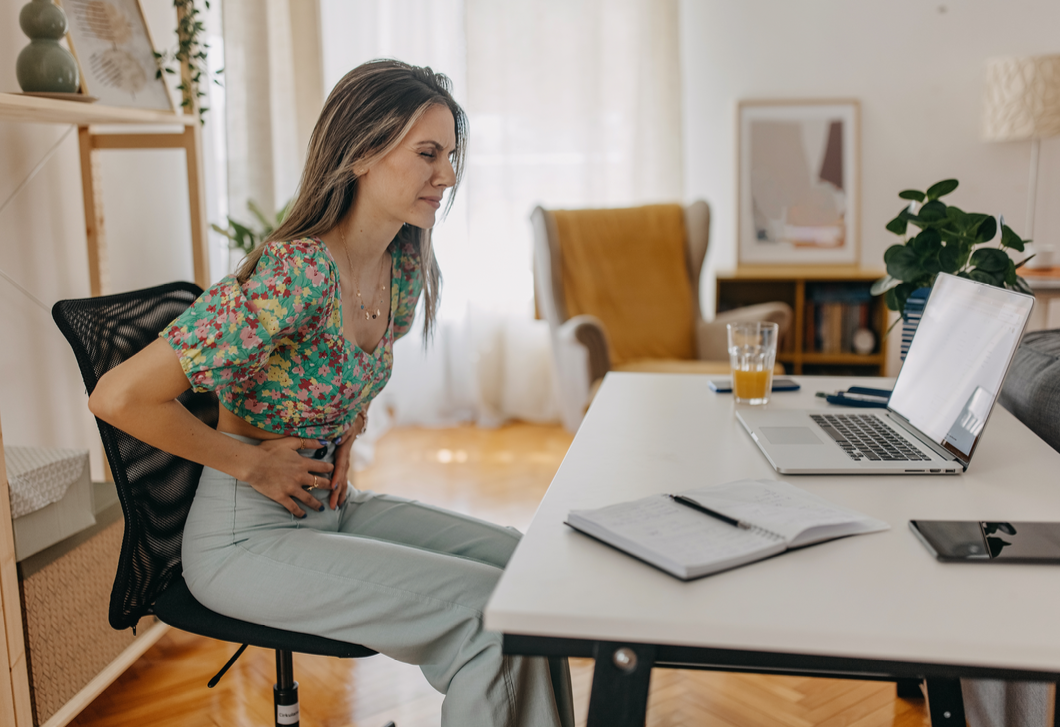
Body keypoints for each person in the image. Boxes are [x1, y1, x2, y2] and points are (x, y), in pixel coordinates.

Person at [89, 59, 574, 727]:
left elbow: (346, 371)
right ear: (362, 153)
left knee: (527, 570)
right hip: (242, 539)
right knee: (482, 612)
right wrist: (251, 462)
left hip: (325, 504)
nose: (449, 176)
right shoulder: (295, 273)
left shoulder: (404, 260)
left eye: (451, 156)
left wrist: (345, 431)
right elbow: (117, 396)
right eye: (427, 153)